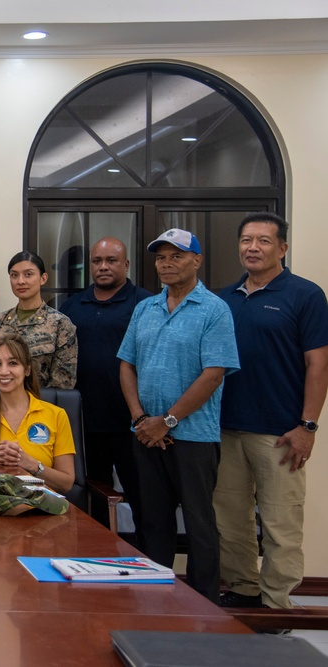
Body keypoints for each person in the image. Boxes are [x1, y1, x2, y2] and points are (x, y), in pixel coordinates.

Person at [118, 228, 239, 603]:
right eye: (160, 257)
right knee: (153, 522)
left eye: (177, 256)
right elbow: (126, 364)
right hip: (146, 435)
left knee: (200, 524)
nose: (167, 264)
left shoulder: (215, 310)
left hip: (193, 438)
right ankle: (154, 598)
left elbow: (213, 374)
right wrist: (141, 419)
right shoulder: (145, 308)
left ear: (197, 260)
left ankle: (205, 604)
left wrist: (166, 421)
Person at [214, 212, 328, 610]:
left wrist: (307, 426)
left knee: (280, 525)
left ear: (282, 248)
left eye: (263, 241)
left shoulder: (305, 295)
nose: (253, 248)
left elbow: (319, 364)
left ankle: (277, 604)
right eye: (247, 240)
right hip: (226, 429)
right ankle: (243, 591)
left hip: (280, 433)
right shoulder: (223, 299)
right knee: (231, 521)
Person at [59, 237, 152, 536]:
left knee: (144, 498)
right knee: (93, 497)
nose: (103, 267)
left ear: (125, 264)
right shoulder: (72, 306)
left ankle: (144, 563)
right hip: (85, 422)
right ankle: (96, 562)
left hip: (134, 422)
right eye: (97, 261)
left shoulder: (146, 304)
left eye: (111, 261)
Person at [0, 333, 76, 495]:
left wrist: (32, 465)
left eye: (12, 363)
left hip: (43, 511)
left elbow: (66, 483)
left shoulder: (56, 415)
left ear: (27, 369)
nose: (3, 371)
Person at [0, 251, 77, 390]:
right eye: (14, 275)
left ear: (43, 278)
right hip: (1, 406)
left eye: (28, 274)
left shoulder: (60, 325)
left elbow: (63, 383)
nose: (20, 281)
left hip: (44, 407)